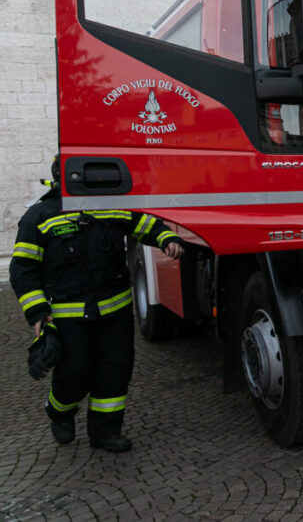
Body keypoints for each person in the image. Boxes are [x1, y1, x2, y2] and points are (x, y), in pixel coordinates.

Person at [9, 157, 185, 453]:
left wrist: (167, 238)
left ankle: (105, 432)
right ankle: (59, 411)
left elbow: (145, 224)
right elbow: (22, 269)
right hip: (69, 319)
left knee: (115, 370)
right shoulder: (39, 217)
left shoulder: (110, 208)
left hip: (114, 314)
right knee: (74, 372)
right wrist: (38, 313)